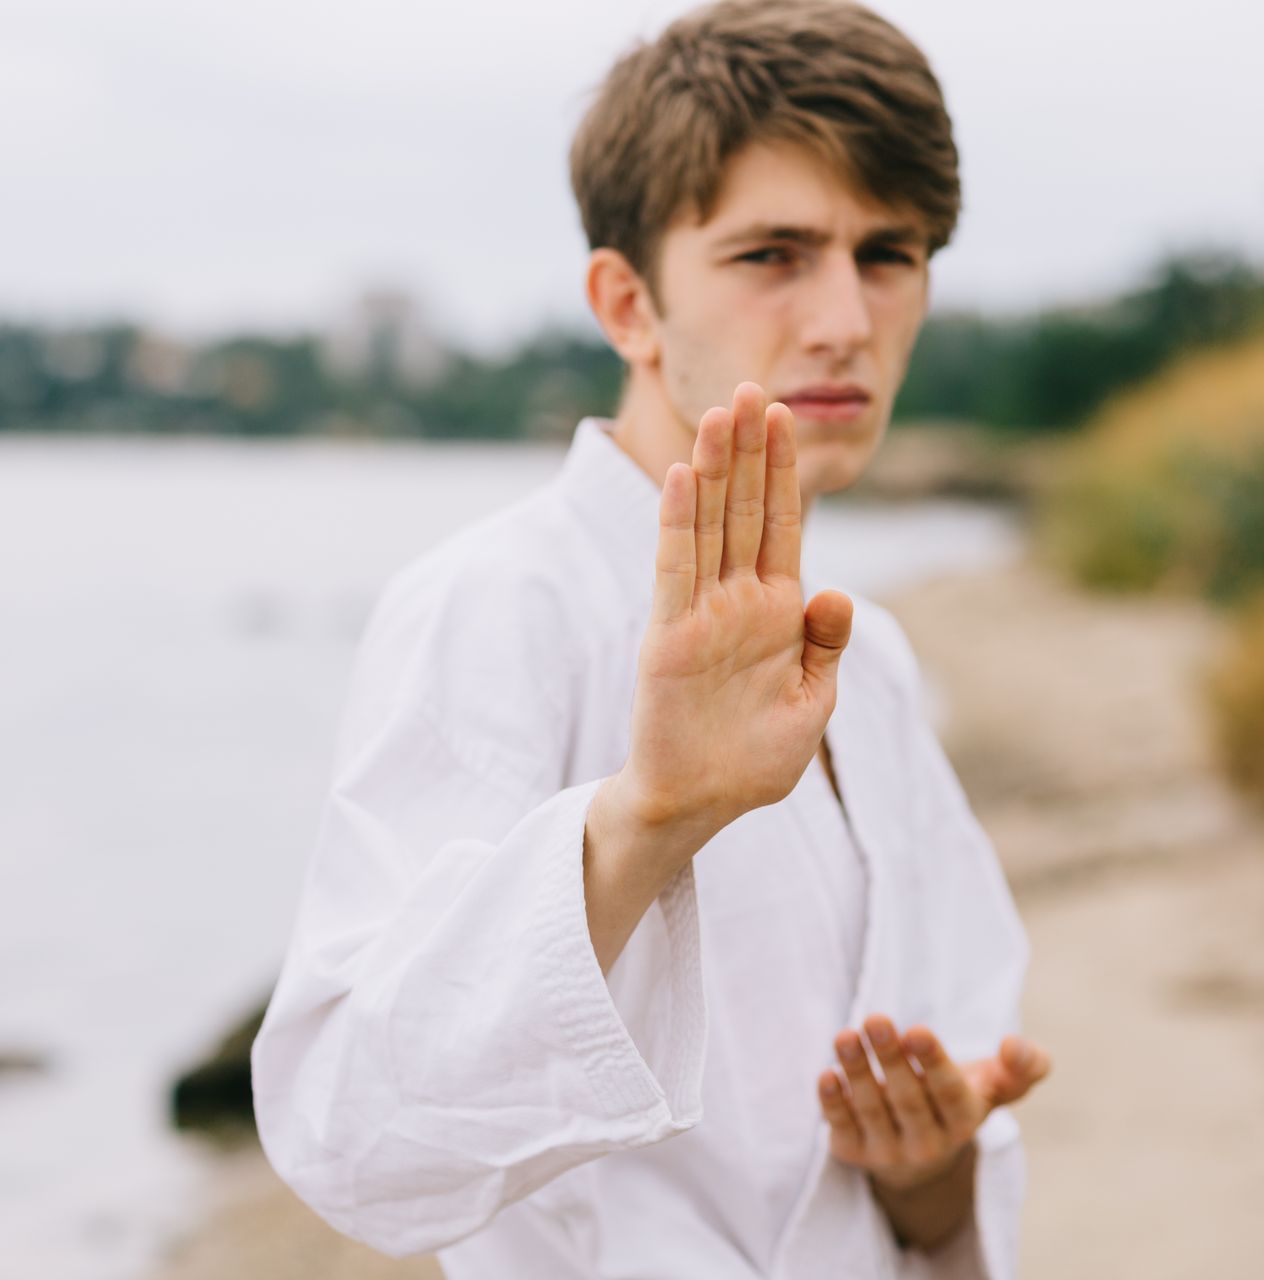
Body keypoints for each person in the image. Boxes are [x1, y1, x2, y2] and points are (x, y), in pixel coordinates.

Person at [251, 1, 1052, 1276]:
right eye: (772, 254)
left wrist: (931, 1167)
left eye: (888, 251)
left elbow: (941, 1141)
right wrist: (645, 818)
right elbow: (347, 1131)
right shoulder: (500, 603)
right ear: (627, 302)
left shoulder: (874, 660)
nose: (844, 316)